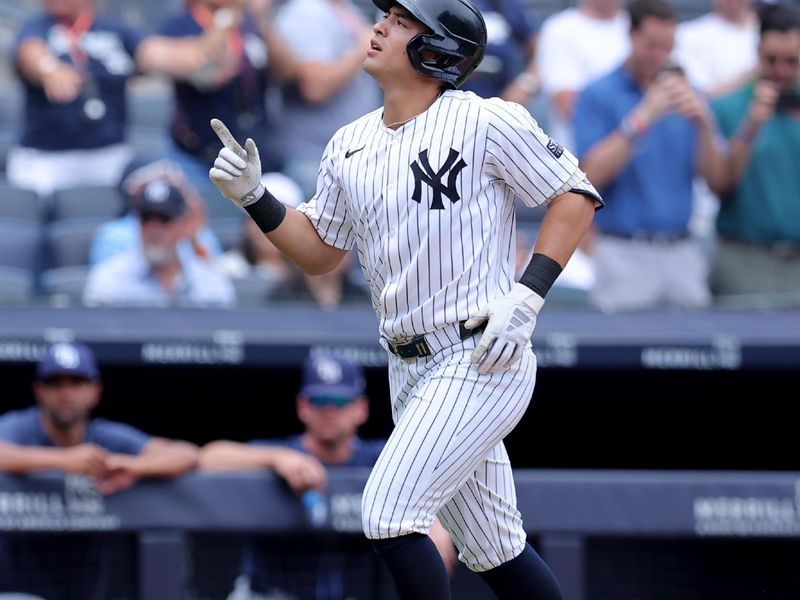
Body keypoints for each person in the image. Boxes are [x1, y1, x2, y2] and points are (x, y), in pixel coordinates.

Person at [207, 0, 602, 597]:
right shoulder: (348, 143)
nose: (380, 27)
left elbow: (574, 194)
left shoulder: (486, 120)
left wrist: (529, 294)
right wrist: (255, 197)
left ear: (435, 49)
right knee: (494, 548)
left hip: (480, 353)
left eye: (400, 21)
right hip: (407, 365)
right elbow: (321, 252)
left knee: (389, 512)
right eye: (385, 17)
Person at [201, 353, 457, 599]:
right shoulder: (284, 452)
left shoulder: (377, 458)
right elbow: (209, 457)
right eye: (320, 401)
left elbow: (431, 474)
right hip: (269, 592)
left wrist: (434, 523)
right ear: (303, 407)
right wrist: (277, 458)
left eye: (339, 402)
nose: (329, 411)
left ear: (361, 408)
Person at [0, 342, 199, 600]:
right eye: (55, 384)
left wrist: (134, 465)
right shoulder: (20, 428)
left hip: (88, 586)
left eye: (76, 383)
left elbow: (187, 453)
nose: (65, 393)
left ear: (95, 391)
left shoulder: (104, 437)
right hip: (20, 588)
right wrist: (62, 460)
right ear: (39, 391)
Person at [572, 0, 728, 313]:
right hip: (622, 251)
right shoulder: (598, 93)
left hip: (682, 249)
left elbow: (718, 181)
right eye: (651, 45)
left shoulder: (690, 93)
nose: (660, 56)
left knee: (699, 352)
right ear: (630, 36)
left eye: (668, 47)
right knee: (620, 355)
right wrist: (640, 119)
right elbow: (588, 178)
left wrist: (705, 126)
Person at [7, 0, 225, 197]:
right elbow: (29, 53)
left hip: (109, 159)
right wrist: (49, 67)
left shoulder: (116, 31)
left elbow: (167, 56)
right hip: (45, 160)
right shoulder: (37, 27)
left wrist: (225, 21)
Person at [158, 0, 298, 207]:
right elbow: (208, 72)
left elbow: (287, 73)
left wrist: (264, 23)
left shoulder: (251, 24)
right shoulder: (181, 24)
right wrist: (225, 20)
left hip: (256, 152)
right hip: (200, 156)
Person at [709, 1, 800, 303]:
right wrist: (751, 127)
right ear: (757, 53)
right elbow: (721, 185)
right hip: (744, 260)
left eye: (792, 61)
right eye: (771, 59)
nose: (782, 70)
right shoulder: (731, 107)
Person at [272, 0, 382, 198]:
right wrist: (361, 50)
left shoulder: (348, 9)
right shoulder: (307, 12)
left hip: (348, 159)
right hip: (313, 161)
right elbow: (314, 86)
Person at [83, 177, 237, 307]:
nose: (154, 229)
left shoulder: (208, 282)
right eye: (146, 218)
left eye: (165, 219)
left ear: (182, 225)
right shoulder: (109, 280)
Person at [89, 155, 224, 267]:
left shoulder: (196, 232)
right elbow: (108, 284)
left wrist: (194, 237)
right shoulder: (112, 235)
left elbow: (215, 281)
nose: (159, 186)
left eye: (167, 181)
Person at [536, 0, 630, 152]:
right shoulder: (560, 29)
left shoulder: (640, 25)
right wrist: (635, 125)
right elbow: (568, 105)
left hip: (637, 163)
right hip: (576, 159)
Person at [460, 0, 540, 105]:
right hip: (453, 101)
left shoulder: (507, 4)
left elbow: (538, 49)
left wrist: (524, 84)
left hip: (503, 102)